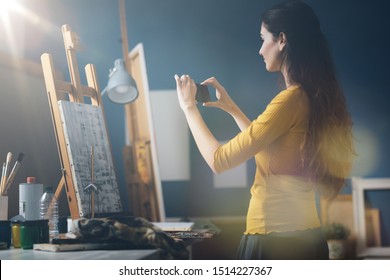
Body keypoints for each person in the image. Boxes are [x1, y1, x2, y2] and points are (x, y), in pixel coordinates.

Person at [174, 0, 354, 260]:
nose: (260, 50)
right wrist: (232, 108)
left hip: (273, 242)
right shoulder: (310, 97)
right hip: (307, 238)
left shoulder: (289, 100)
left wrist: (189, 107)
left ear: (282, 39)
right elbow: (268, 150)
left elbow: (219, 160)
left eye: (263, 39)